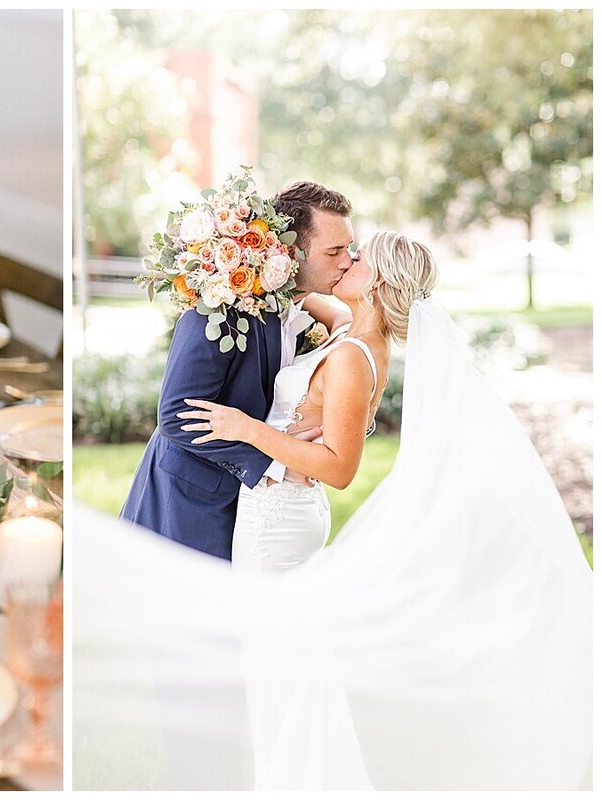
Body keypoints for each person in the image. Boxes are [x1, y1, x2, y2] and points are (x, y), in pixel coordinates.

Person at [74, 231, 592, 789]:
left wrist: (249, 430)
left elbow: (340, 468)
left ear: (381, 282)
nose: (349, 259)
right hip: (279, 510)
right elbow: (300, 294)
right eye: (343, 250)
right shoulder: (353, 331)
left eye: (360, 256)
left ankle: (301, 780)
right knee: (285, 668)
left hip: (279, 522)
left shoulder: (351, 355)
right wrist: (243, 265)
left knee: (280, 674)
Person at [119, 181, 355, 560]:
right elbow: (177, 416)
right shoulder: (221, 305)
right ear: (293, 251)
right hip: (186, 506)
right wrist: (274, 465)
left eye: (349, 248)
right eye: (335, 251)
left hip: (251, 511)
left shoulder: (297, 306)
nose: (347, 261)